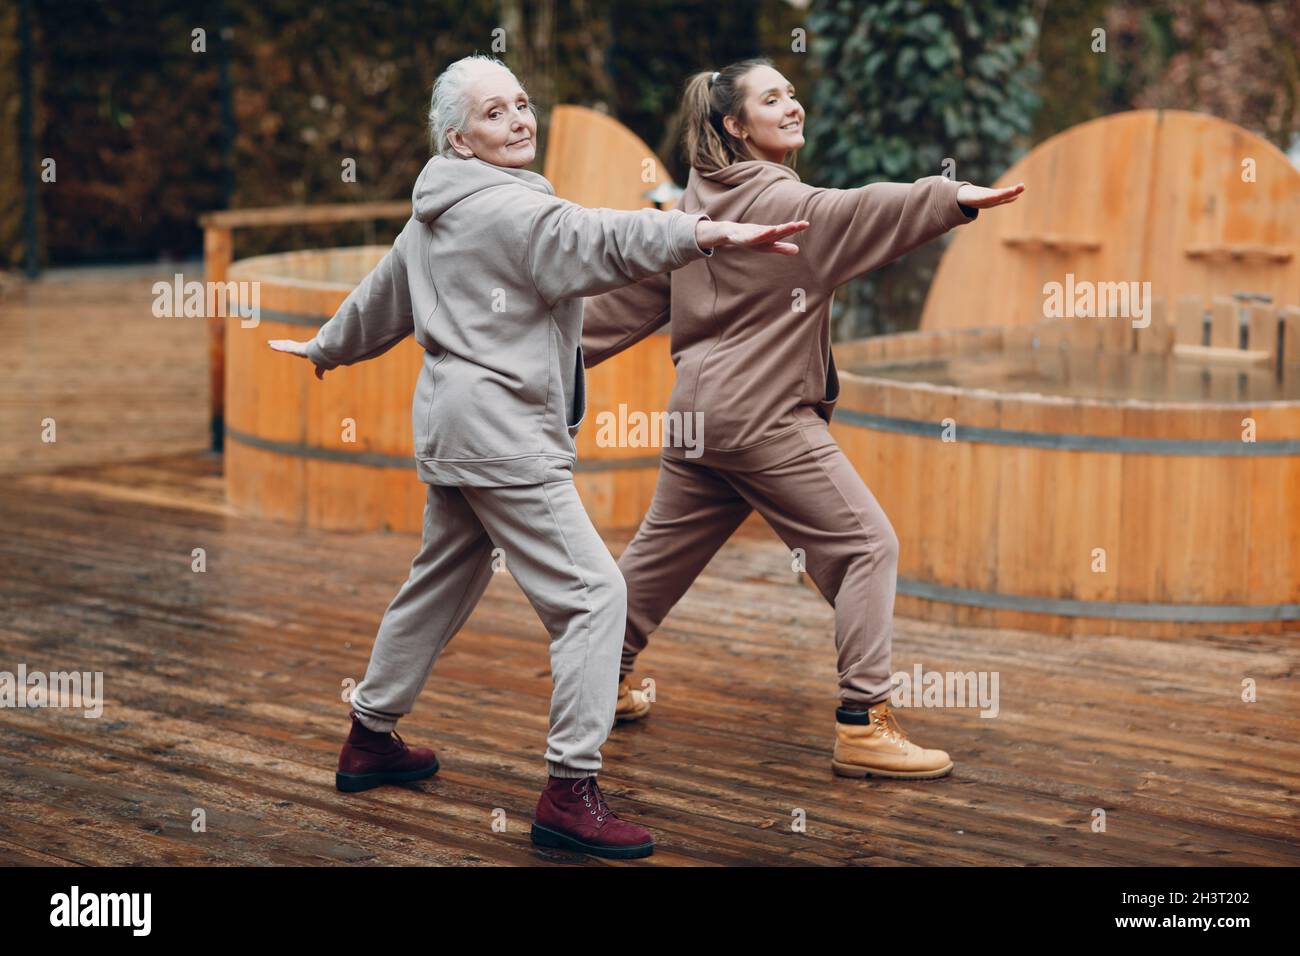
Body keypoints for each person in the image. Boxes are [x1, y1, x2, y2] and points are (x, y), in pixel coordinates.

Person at [268, 54, 808, 857]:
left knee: (440, 579)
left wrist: (326, 347)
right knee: (594, 597)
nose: (519, 119)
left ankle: (370, 737)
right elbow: (598, 236)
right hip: (506, 437)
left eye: (522, 104)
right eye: (495, 113)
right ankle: (569, 792)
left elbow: (385, 294)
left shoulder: (437, 206)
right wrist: (704, 231)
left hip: (456, 435)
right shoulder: (510, 213)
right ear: (460, 136)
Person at [582, 58, 1024, 779]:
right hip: (761, 418)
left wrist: (543, 361)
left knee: (658, 562)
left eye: (791, 93)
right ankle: (864, 722)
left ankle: (595, 680)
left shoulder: (696, 208)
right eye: (771, 98)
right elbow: (856, 211)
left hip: (700, 418)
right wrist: (951, 197)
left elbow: (627, 305)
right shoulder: (780, 202)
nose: (792, 105)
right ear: (735, 124)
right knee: (867, 547)